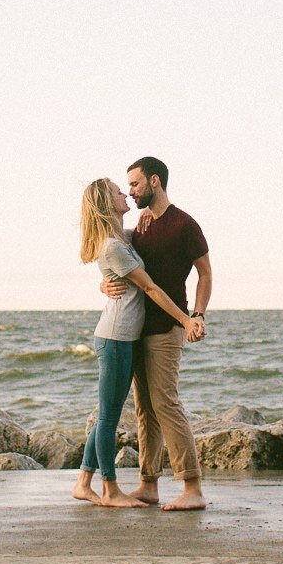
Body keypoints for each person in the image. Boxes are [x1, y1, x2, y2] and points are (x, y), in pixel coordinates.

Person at [73, 178, 206, 507]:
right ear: (107, 202)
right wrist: (186, 318)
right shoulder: (115, 245)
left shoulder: (126, 237)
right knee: (109, 417)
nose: (126, 193)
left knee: (112, 412)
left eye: (130, 186)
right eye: (121, 191)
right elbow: (147, 287)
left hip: (128, 336)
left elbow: (119, 265)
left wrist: (106, 282)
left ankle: (83, 481)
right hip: (117, 337)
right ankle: (109, 490)